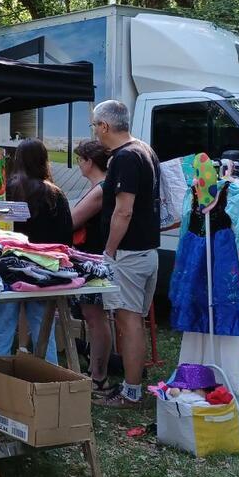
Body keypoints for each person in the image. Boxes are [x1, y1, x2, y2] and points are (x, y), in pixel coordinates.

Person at [91, 100, 161, 408]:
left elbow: (124, 210)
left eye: (94, 127)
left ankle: (132, 393)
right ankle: (131, 386)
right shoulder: (144, 149)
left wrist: (108, 251)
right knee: (133, 320)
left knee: (128, 321)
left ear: (104, 126)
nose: (94, 133)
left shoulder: (125, 157)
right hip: (146, 251)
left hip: (129, 254)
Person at [0, 139, 73, 364]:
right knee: (43, 330)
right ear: (44, 161)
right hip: (44, 271)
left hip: (8, 269)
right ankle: (50, 380)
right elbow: (66, 239)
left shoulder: (5, 192)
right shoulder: (55, 194)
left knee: (2, 328)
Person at [69, 139, 113, 394]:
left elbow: (73, 220)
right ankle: (96, 373)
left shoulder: (100, 189)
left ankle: (98, 376)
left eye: (79, 160)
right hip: (90, 257)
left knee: (95, 317)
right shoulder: (100, 186)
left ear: (89, 161)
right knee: (93, 316)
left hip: (92, 259)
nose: (78, 165)